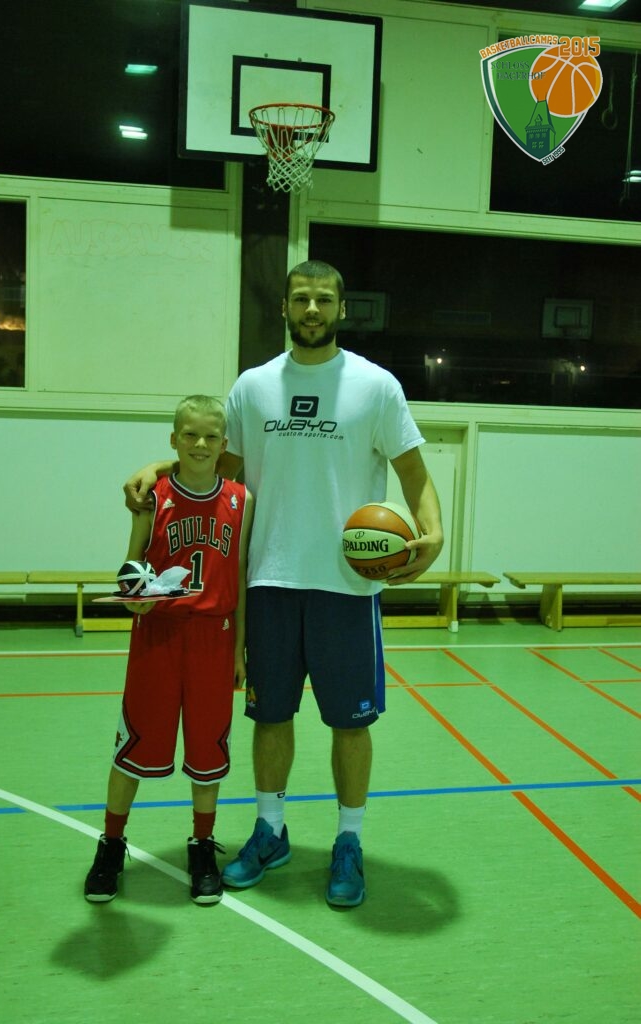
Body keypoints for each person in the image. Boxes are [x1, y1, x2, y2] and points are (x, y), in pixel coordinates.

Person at [123, 261, 443, 908]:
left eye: (323, 299)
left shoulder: (375, 386)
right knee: (269, 716)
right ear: (285, 308)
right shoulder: (254, 387)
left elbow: (413, 472)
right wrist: (160, 465)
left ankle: (348, 840)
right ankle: (270, 829)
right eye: (301, 298)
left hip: (346, 586)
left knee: (350, 724)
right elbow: (219, 465)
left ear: (342, 309)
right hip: (267, 578)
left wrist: (433, 533)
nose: (312, 309)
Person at [85, 395, 253, 906]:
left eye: (210, 436)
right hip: (157, 635)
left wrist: (240, 649)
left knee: (208, 752)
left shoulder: (241, 499)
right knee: (134, 746)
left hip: (214, 638)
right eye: (190, 435)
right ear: (173, 439)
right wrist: (133, 597)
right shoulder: (153, 496)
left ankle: (201, 846)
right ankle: (111, 844)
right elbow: (131, 565)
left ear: (224, 444)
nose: (200, 444)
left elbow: (240, 576)